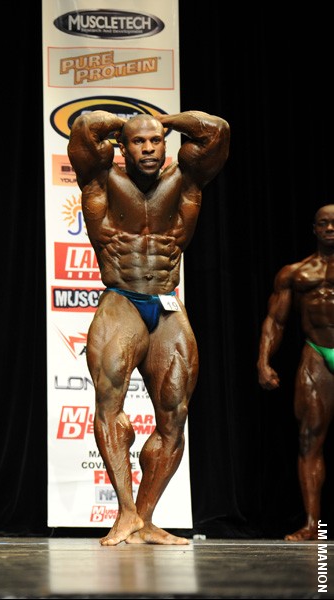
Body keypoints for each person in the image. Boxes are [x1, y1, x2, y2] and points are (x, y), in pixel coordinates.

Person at [67, 110, 230, 545]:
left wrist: (164, 120)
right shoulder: (100, 180)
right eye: (138, 142)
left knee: (175, 415)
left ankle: (145, 517)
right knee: (110, 406)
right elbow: (83, 127)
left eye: (156, 140)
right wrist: (125, 123)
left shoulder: (187, 180)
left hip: (167, 302)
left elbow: (217, 131)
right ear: (122, 146)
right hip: (121, 300)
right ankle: (124, 512)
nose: (149, 148)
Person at [257, 204, 334, 541]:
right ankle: (312, 524)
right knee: (308, 439)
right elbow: (276, 321)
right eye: (324, 223)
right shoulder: (295, 273)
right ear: (314, 229)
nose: (330, 228)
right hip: (316, 353)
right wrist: (263, 361)